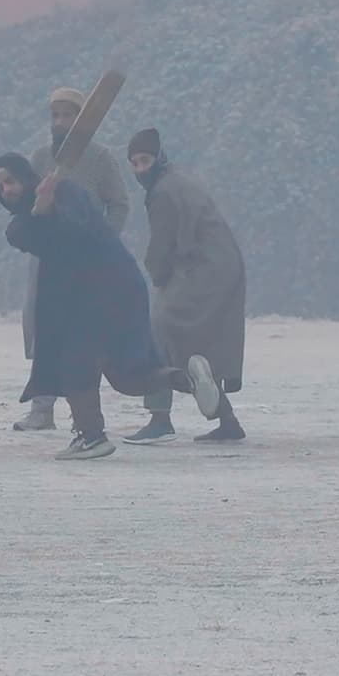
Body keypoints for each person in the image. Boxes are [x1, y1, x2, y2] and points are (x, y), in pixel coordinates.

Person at [0, 151, 162, 460]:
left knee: (75, 364)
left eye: (10, 182)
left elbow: (77, 231)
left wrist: (52, 207)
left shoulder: (69, 192)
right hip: (103, 293)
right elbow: (28, 236)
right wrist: (41, 211)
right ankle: (186, 377)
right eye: (0, 188)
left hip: (105, 290)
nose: (7, 191)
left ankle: (91, 436)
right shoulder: (20, 224)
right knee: (129, 372)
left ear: (26, 176)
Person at [13, 83, 135, 431]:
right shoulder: (39, 159)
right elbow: (24, 206)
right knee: (42, 330)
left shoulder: (100, 158)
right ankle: (42, 408)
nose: (61, 121)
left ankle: (83, 413)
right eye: (56, 115)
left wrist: (103, 243)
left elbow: (120, 204)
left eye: (69, 115)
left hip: (87, 264)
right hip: (47, 260)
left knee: (82, 336)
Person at [123, 127, 246, 443]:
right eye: (134, 163)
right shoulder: (177, 180)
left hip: (202, 269)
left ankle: (160, 419)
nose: (140, 169)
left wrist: (158, 276)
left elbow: (162, 246)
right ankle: (227, 419)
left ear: (159, 157)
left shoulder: (163, 191)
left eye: (145, 160)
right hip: (224, 268)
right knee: (200, 345)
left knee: (157, 333)